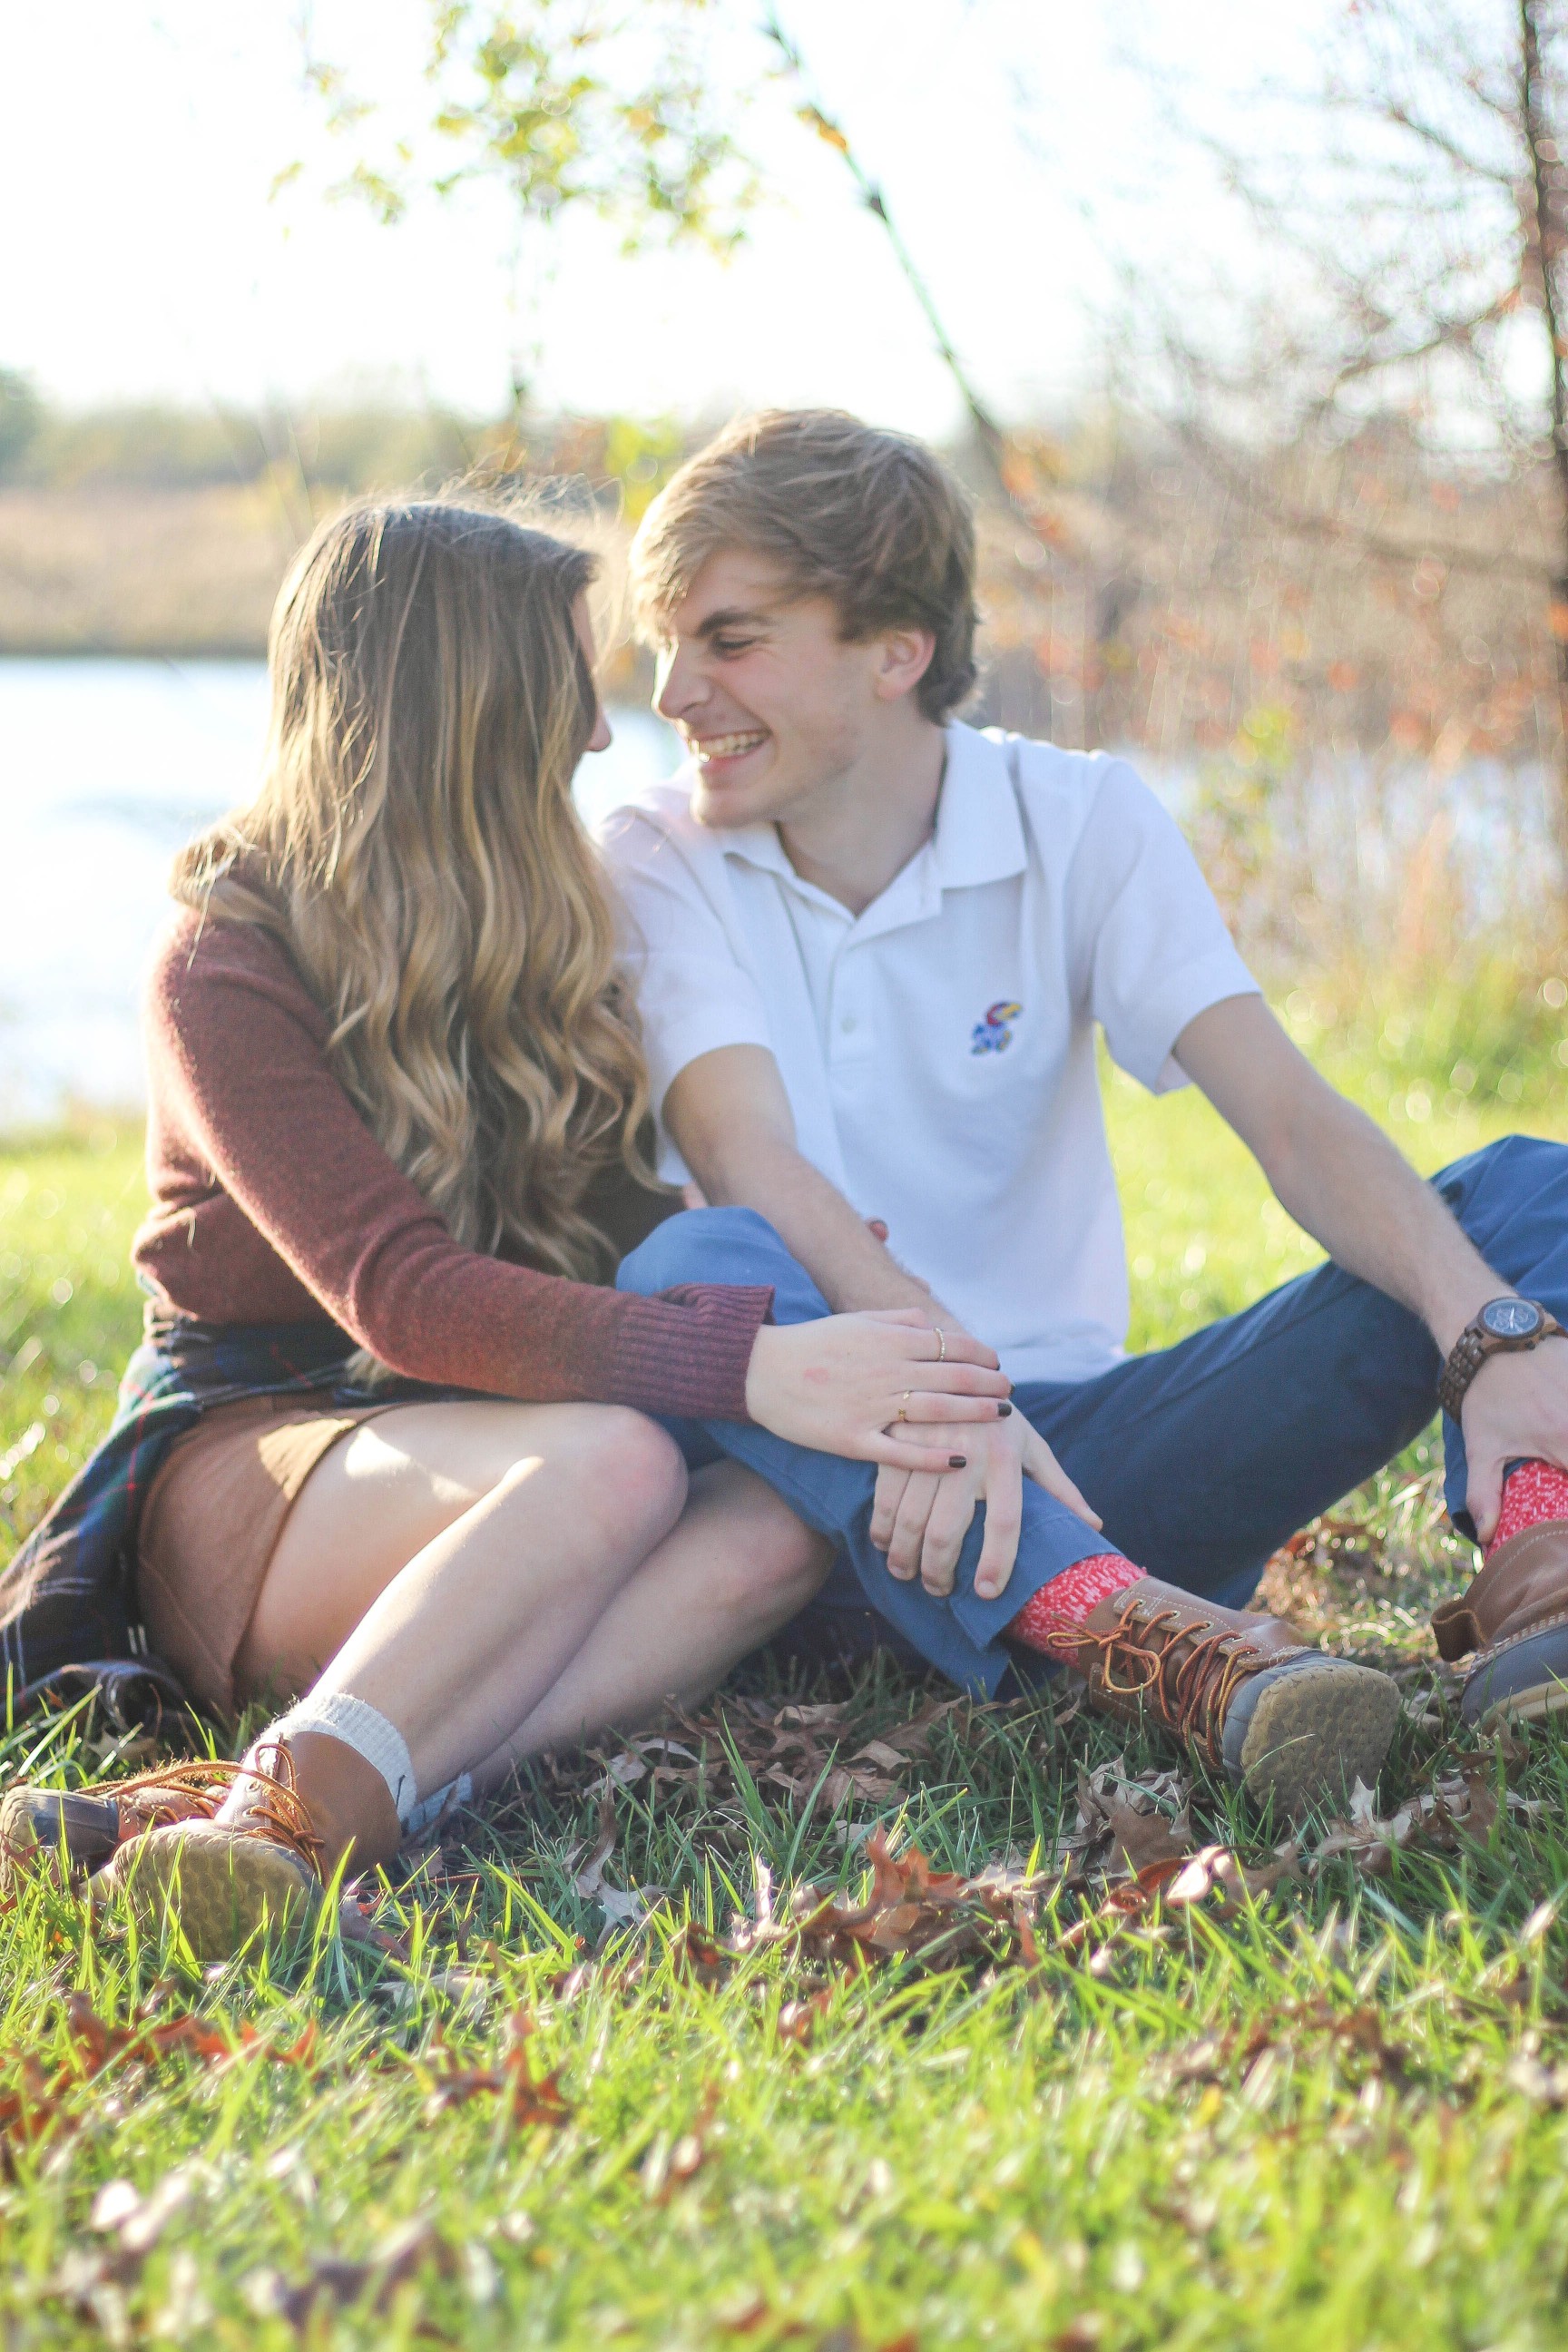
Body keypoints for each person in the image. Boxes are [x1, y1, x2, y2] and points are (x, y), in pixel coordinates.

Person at [0, 497, 1015, 1959]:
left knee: (776, 1529)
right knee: (615, 1456)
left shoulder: (543, 929)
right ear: (463, 702)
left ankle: (286, 1802)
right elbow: (397, 1298)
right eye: (572, 684)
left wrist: (885, 1353)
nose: (606, 737)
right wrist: (745, 1372)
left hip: (484, 1462)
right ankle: (281, 1817)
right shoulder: (223, 952)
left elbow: (622, 1218)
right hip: (260, 1463)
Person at [599, 406, 1568, 1777]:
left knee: (1527, 1197)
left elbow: (1285, 1115)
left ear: (896, 650)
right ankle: (1132, 1635)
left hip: (1090, 1468)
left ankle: (1542, 1558)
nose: (675, 693)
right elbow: (747, 1156)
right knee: (698, 1256)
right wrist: (954, 1406)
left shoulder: (1080, 820)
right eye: (667, 644)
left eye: (730, 639)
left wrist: (1491, 1338)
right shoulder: (655, 856)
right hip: (821, 1506)